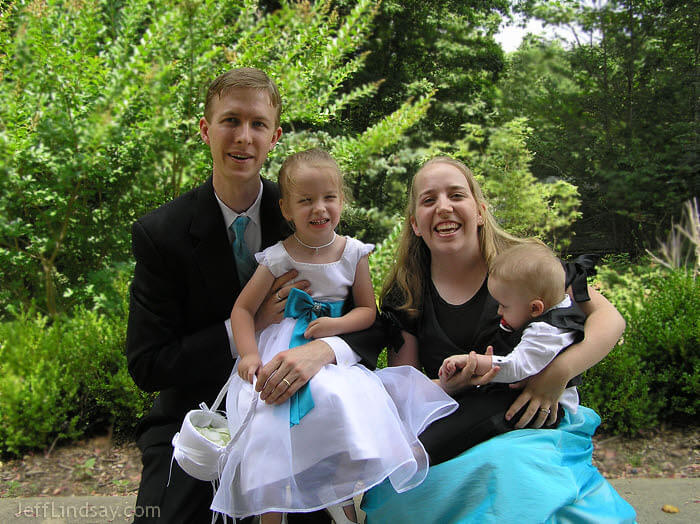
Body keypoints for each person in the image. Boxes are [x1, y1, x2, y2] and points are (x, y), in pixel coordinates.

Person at [126, 68, 377, 523]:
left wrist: (324, 349)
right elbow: (148, 363)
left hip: (297, 412)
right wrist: (248, 326)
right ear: (206, 129)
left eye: (258, 124)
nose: (244, 137)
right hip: (202, 414)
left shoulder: (308, 207)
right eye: (230, 120)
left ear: (274, 136)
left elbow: (371, 320)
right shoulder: (160, 235)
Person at [360, 157, 637, 522]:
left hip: (532, 419)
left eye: (456, 195)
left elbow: (610, 319)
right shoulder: (405, 290)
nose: (443, 207)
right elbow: (406, 388)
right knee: (400, 485)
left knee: (504, 473)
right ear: (415, 224)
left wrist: (556, 374)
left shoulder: (526, 264)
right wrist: (445, 385)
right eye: (428, 200)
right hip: (454, 421)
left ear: (479, 211)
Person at [209, 149, 457, 524]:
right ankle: (270, 512)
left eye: (328, 198)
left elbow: (367, 312)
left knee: (340, 402)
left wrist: (334, 327)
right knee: (267, 419)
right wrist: (247, 355)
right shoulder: (278, 257)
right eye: (305, 201)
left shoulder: (352, 253)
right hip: (280, 345)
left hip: (331, 349)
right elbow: (242, 310)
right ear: (287, 210)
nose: (319, 208)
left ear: (342, 201)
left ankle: (342, 500)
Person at [437, 241, 588, 444]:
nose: (499, 311)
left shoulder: (547, 330)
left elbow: (518, 367)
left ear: (535, 308)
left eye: (504, 306)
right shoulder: (552, 307)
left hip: (541, 409)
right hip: (518, 395)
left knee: (462, 428)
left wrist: (474, 362)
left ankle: (426, 452)